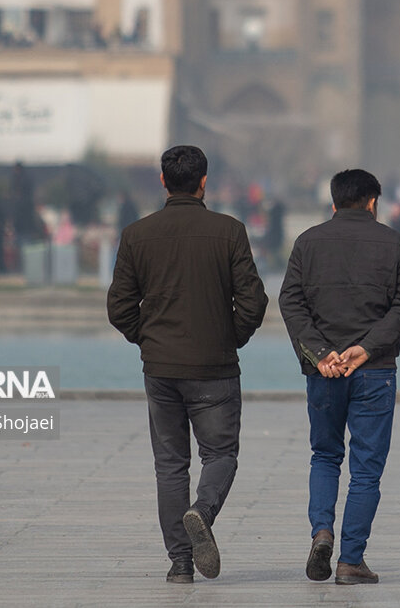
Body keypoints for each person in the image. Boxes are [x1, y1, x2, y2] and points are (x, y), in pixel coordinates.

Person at [107, 145, 269, 585]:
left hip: (161, 369)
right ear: (203, 182)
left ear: (163, 181)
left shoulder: (138, 235)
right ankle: (203, 511)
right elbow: (253, 301)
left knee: (170, 464)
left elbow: (120, 307)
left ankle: (180, 563)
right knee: (220, 454)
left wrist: (149, 338)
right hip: (214, 366)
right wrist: (230, 335)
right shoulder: (229, 231)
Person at [278, 169, 400, 586]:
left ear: (334, 201)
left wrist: (321, 353)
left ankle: (321, 530)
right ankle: (350, 560)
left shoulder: (308, 241)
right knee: (365, 469)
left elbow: (291, 301)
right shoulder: (393, 243)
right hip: (373, 370)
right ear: (373, 202)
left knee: (325, 455)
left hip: (324, 371)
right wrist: (368, 346)